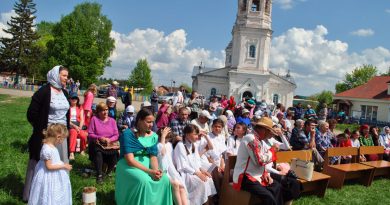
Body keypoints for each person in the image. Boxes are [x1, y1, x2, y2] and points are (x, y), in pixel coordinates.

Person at [24, 65, 70, 201]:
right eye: (64, 75)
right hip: (47, 136)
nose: (66, 79)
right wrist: (41, 130)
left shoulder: (65, 93)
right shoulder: (43, 92)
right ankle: (32, 194)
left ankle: (60, 195)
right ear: (56, 75)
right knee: (39, 162)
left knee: (61, 162)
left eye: (67, 76)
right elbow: (31, 114)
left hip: (62, 136)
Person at [115, 108, 173, 205]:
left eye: (152, 122)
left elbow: (153, 157)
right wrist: (150, 172)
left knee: (165, 180)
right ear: (140, 120)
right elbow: (130, 160)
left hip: (148, 164)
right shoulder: (128, 135)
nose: (151, 125)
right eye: (148, 122)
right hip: (129, 165)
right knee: (143, 181)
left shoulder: (153, 136)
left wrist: (156, 171)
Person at [232, 117, 284, 205]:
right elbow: (260, 161)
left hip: (256, 176)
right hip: (245, 177)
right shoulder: (251, 139)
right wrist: (272, 151)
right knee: (268, 196)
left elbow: (261, 162)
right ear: (264, 130)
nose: (270, 134)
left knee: (277, 187)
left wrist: (265, 174)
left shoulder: (259, 140)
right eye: (269, 132)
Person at [28, 124, 72, 205]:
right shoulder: (47, 149)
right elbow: (49, 166)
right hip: (48, 176)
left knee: (56, 192)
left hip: (54, 174)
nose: (62, 142)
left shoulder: (52, 146)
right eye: (62, 139)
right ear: (58, 137)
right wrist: (63, 166)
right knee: (48, 192)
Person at [173, 124, 217, 205]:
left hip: (195, 171)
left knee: (209, 179)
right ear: (187, 134)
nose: (197, 137)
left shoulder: (193, 144)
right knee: (202, 183)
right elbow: (182, 166)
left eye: (197, 134)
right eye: (195, 134)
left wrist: (202, 170)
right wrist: (197, 173)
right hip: (186, 174)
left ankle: (209, 203)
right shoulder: (180, 145)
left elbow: (197, 160)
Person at [88, 102, 119, 183]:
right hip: (97, 143)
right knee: (98, 152)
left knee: (115, 153)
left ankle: (107, 172)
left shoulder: (112, 121)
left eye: (106, 110)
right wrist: (99, 137)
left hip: (109, 144)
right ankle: (99, 175)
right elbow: (90, 133)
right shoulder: (94, 119)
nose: (105, 112)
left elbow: (116, 134)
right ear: (98, 112)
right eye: (103, 110)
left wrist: (110, 139)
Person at [157, 127, 188, 205]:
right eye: (166, 138)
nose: (167, 140)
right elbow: (162, 153)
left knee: (182, 187)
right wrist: (163, 136)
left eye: (169, 138)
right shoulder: (158, 145)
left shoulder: (169, 145)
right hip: (162, 171)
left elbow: (171, 160)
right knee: (175, 184)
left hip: (170, 170)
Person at [68, 93, 88, 160]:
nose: (74, 99)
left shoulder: (80, 107)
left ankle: (82, 150)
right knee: (73, 132)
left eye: (75, 98)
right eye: (72, 98)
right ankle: (71, 152)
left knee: (83, 135)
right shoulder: (67, 107)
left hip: (78, 125)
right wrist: (74, 126)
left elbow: (82, 119)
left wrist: (79, 127)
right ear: (69, 99)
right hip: (70, 125)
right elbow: (67, 120)